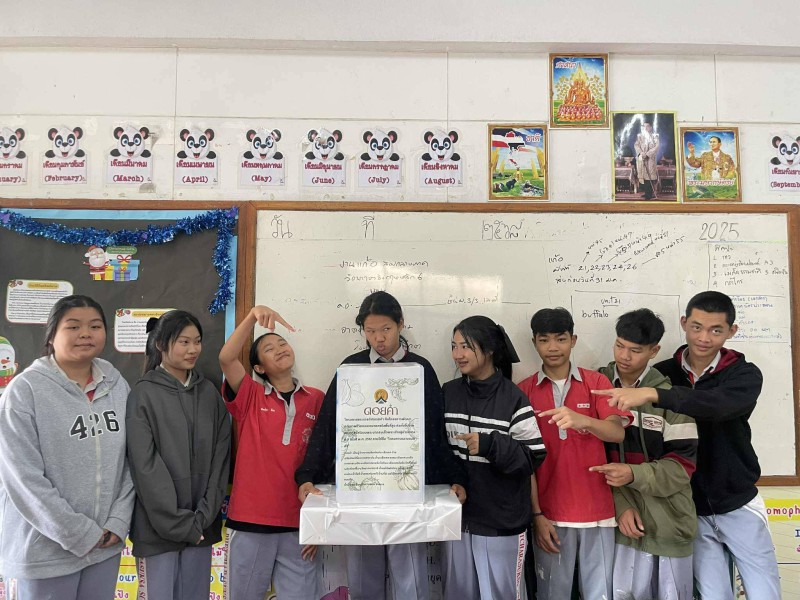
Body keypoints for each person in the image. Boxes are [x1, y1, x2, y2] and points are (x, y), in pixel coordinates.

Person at [596, 291, 781, 599]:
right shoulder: (664, 373)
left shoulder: (743, 374)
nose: (704, 338)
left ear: (732, 331)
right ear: (684, 323)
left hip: (737, 500)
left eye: (715, 330)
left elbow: (717, 405)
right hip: (688, 507)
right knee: (712, 593)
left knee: (764, 591)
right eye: (696, 327)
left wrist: (655, 395)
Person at [295, 290, 466, 600]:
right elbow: (329, 426)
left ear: (401, 323)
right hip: (360, 490)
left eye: (386, 329)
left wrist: (456, 478)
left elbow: (434, 433)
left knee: (410, 580)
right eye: (370, 331)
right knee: (362, 580)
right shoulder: (351, 368)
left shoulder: (421, 369)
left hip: (407, 491)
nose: (379, 338)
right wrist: (307, 475)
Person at [0, 295, 134, 600]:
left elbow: (132, 461)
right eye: (73, 326)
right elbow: (23, 479)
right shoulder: (24, 392)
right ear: (51, 336)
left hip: (104, 547)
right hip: (44, 555)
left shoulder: (117, 385)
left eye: (95, 326)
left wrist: (118, 522)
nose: (86, 333)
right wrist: (80, 534)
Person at [517, 307, 630, 600]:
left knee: (600, 594)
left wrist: (584, 420)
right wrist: (537, 515)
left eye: (561, 338)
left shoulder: (597, 383)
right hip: (550, 515)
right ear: (534, 343)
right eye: (544, 340)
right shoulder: (523, 392)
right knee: (552, 594)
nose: (553, 347)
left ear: (573, 340)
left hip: (598, 513)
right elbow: (524, 463)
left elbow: (617, 432)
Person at [590, 308, 698, 599]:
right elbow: (587, 459)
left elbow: (682, 467)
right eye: (619, 346)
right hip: (614, 527)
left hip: (669, 525)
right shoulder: (594, 387)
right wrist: (621, 504)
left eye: (635, 350)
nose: (624, 356)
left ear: (654, 351)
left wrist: (633, 474)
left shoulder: (671, 398)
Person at [219, 305, 323, 600]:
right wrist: (253, 316)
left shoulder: (316, 398)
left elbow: (325, 460)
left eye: (282, 343)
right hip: (251, 521)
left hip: (298, 525)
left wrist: (318, 524)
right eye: (268, 348)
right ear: (259, 368)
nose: (279, 349)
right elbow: (226, 358)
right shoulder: (250, 395)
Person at [126, 310, 231, 600]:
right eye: (184, 342)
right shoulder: (143, 394)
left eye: (197, 341)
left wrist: (203, 517)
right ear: (160, 344)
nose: (193, 349)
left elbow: (220, 459)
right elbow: (144, 466)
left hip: (202, 526)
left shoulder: (209, 393)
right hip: (157, 531)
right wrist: (178, 523)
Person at [441, 316, 546, 600]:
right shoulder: (448, 392)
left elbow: (532, 458)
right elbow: (438, 449)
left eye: (466, 346)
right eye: (454, 346)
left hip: (501, 523)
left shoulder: (513, 398)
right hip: (456, 521)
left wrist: (490, 445)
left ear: (488, 350)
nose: (457, 354)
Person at [635, 121, 660, 199]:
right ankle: (646, 193)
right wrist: (641, 153)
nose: (645, 128)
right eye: (644, 126)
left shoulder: (655, 136)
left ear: (651, 127)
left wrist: (647, 154)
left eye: (647, 126)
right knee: (644, 177)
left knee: (650, 176)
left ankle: (649, 194)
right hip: (642, 158)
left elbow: (656, 147)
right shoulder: (640, 136)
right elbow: (636, 145)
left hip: (650, 159)